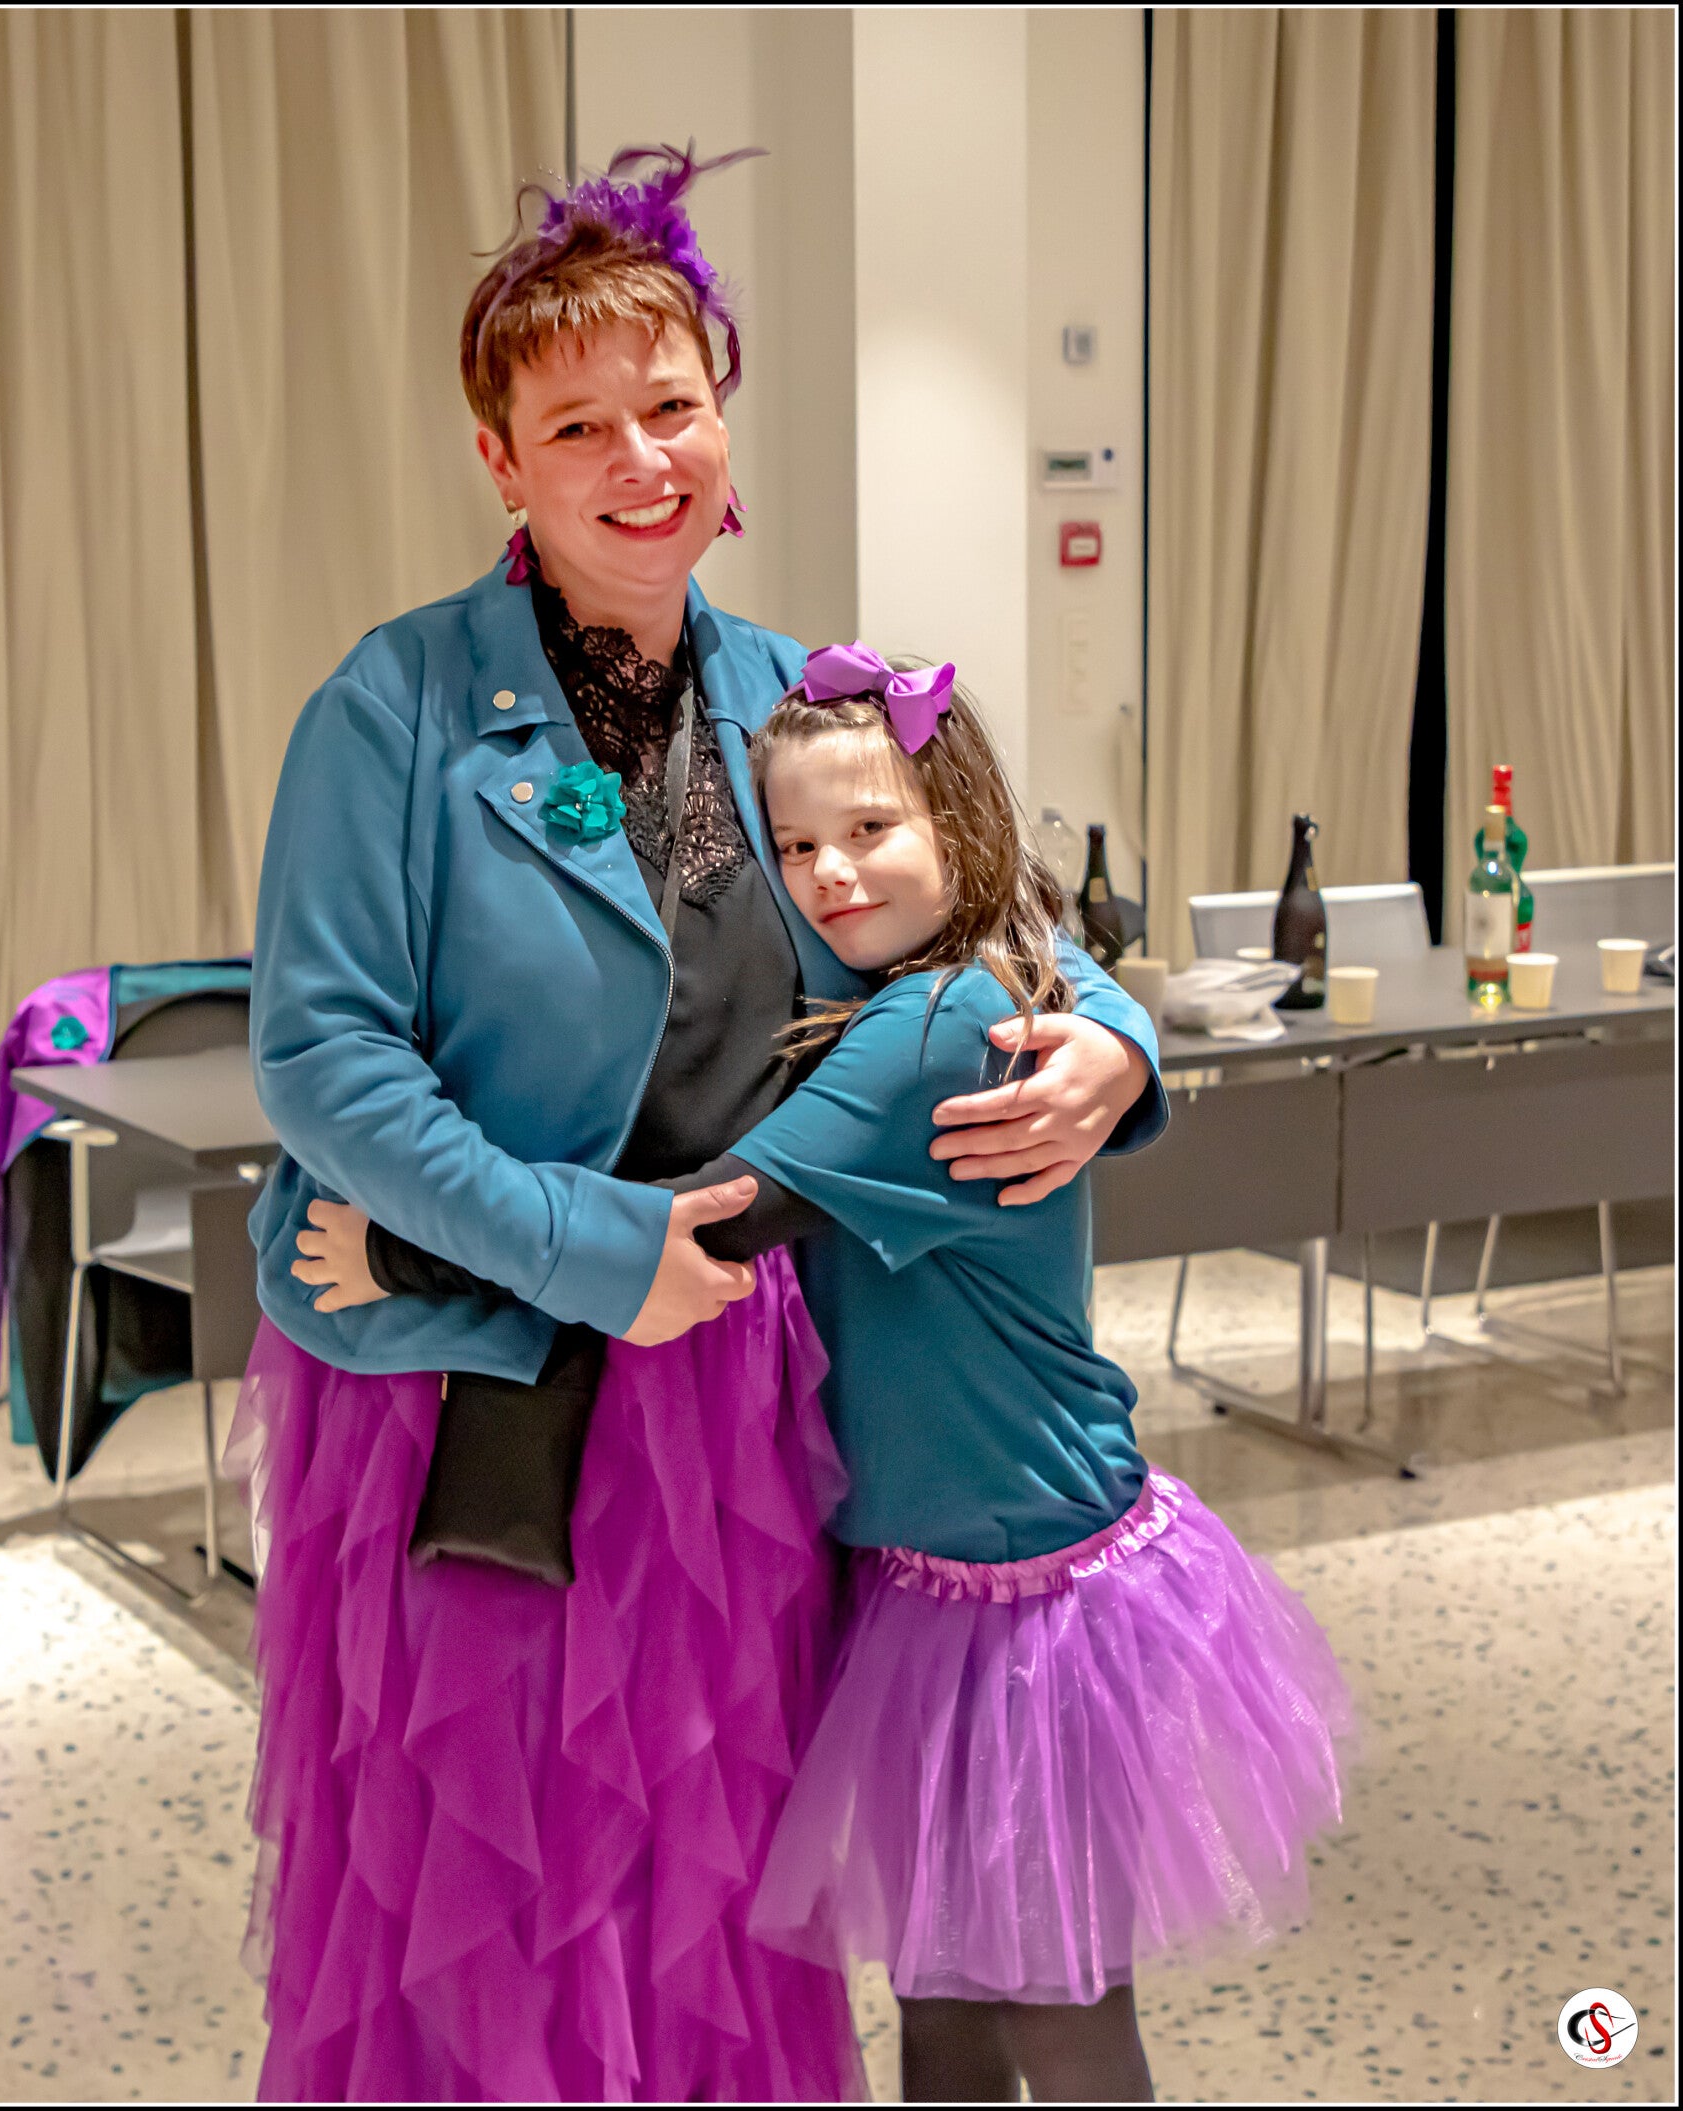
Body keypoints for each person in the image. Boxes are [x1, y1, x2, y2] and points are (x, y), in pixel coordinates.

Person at [233, 143, 1164, 2102]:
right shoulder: (392, 710)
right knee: (490, 1897)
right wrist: (592, 1249)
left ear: (725, 419)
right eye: (578, 425)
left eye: (671, 405)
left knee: (718, 1879)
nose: (639, 457)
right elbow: (326, 1062)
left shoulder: (804, 698)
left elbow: (988, 911)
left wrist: (1117, 1043)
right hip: (464, 1385)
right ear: (500, 460)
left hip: (735, 1400)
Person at [312, 652, 1355, 2106]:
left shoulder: (930, 1032)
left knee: (1053, 2009)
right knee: (949, 1999)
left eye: (870, 830)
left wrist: (406, 1255)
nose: (830, 875)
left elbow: (697, 1224)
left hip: (1029, 1595)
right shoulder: (912, 993)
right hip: (940, 1580)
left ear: (963, 825)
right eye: (796, 846)